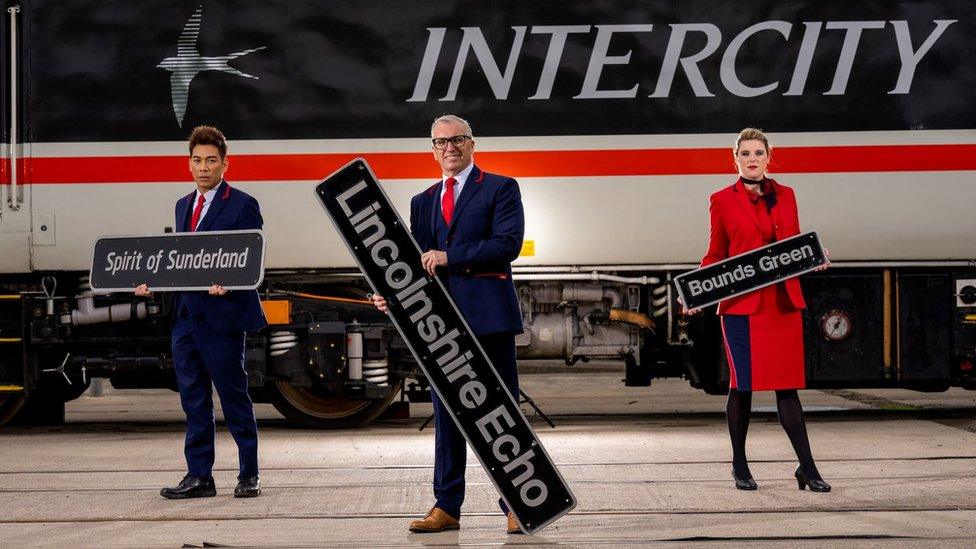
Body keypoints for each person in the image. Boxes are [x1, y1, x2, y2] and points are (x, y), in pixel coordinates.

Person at [372, 114, 525, 534]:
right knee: (447, 416)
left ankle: (515, 503)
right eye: (441, 142)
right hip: (440, 327)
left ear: (472, 144)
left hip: (489, 319)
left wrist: (450, 257)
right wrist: (393, 296)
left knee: (501, 413)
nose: (450, 148)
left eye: (457, 140)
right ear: (432, 149)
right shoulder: (422, 202)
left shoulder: (500, 188)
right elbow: (415, 266)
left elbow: (507, 245)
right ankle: (447, 506)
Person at [686, 127, 831, 493]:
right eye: (745, 154)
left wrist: (814, 257)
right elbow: (716, 253)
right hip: (742, 308)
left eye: (759, 153)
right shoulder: (721, 199)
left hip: (782, 304)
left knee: (787, 388)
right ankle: (739, 465)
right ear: (735, 159)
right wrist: (695, 294)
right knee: (743, 386)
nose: (752, 160)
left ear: (769, 157)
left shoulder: (787, 195)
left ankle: (808, 467)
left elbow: (795, 245)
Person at [135, 126, 267, 499]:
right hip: (186, 318)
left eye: (211, 160)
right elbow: (181, 262)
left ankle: (249, 474)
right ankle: (199, 476)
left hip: (222, 316)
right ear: (189, 164)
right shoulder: (182, 205)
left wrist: (232, 281)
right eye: (197, 160)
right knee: (193, 399)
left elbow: (251, 255)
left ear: (225, 164)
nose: (203, 167)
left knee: (233, 396)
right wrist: (153, 281)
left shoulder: (242, 204)